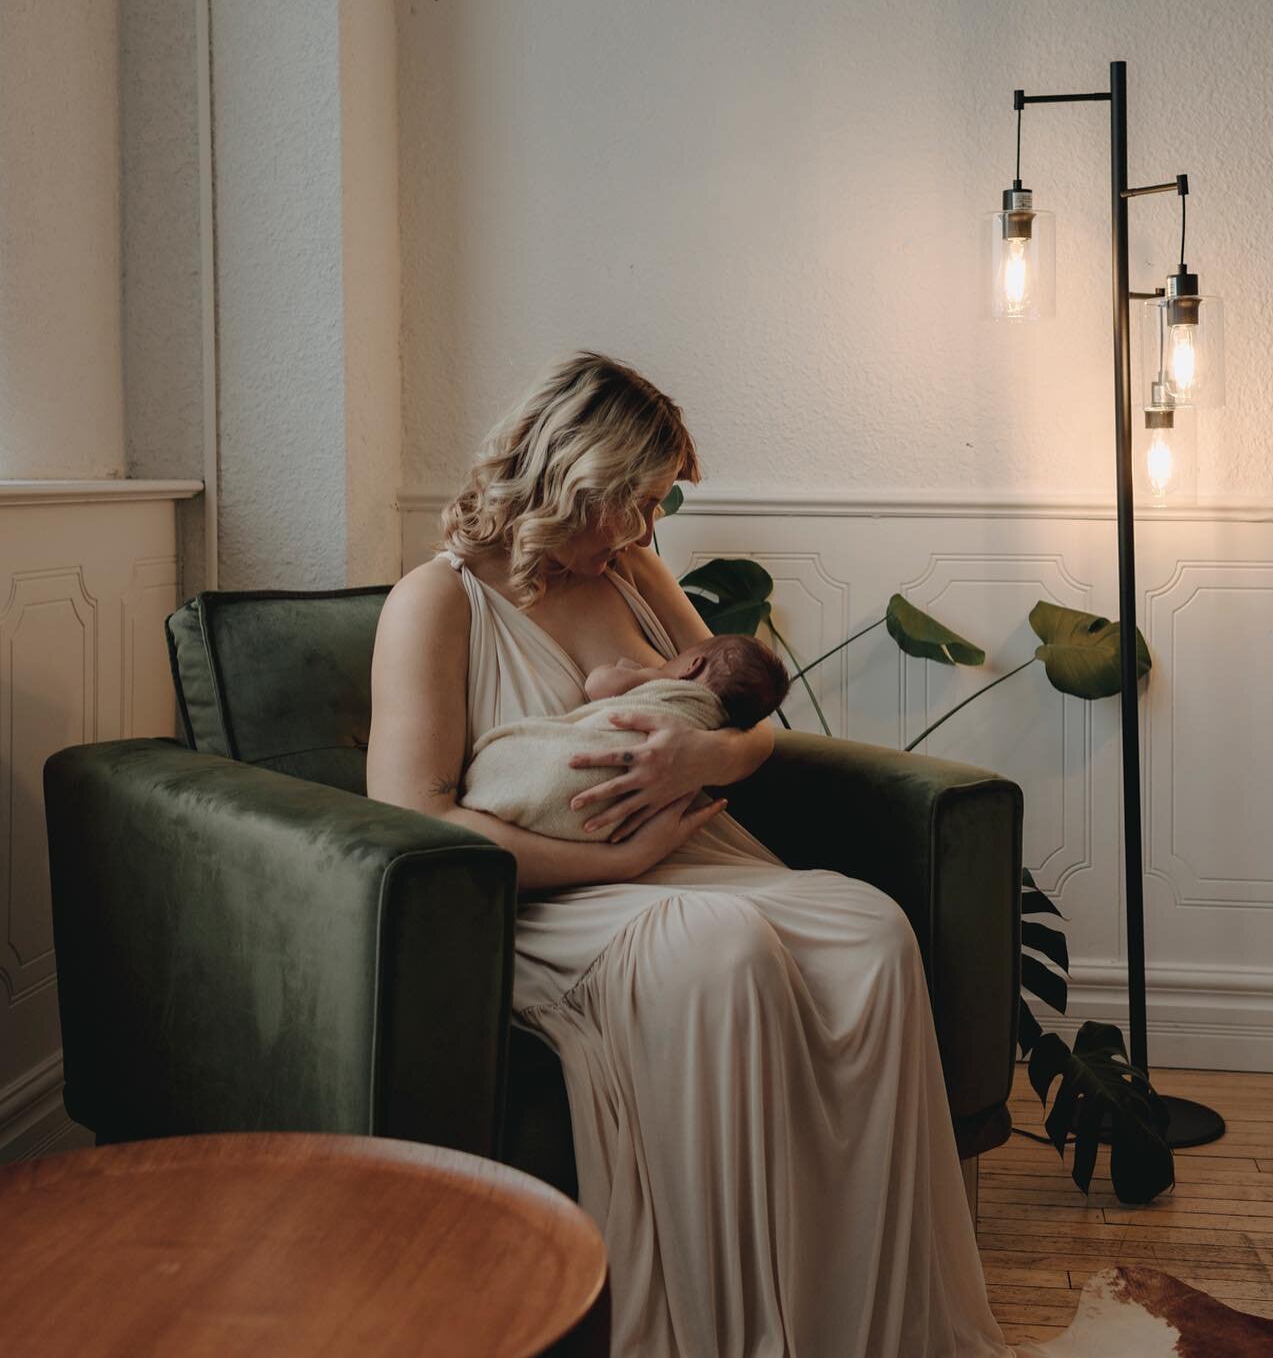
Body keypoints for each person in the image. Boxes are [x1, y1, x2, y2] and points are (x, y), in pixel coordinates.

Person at [367, 352, 1012, 1358]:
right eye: (638, 502)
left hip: (700, 857)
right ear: (579, 479)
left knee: (870, 930)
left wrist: (698, 753)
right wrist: (616, 867)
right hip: (556, 898)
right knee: (722, 951)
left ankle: (867, 1327)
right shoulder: (436, 601)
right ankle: (735, 1333)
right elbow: (417, 816)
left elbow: (755, 717)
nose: (648, 528)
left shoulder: (632, 571)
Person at [461, 634, 792, 842]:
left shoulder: (662, 681)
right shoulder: (714, 718)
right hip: (620, 831)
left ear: (692, 666)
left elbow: (598, 685)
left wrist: (630, 670)